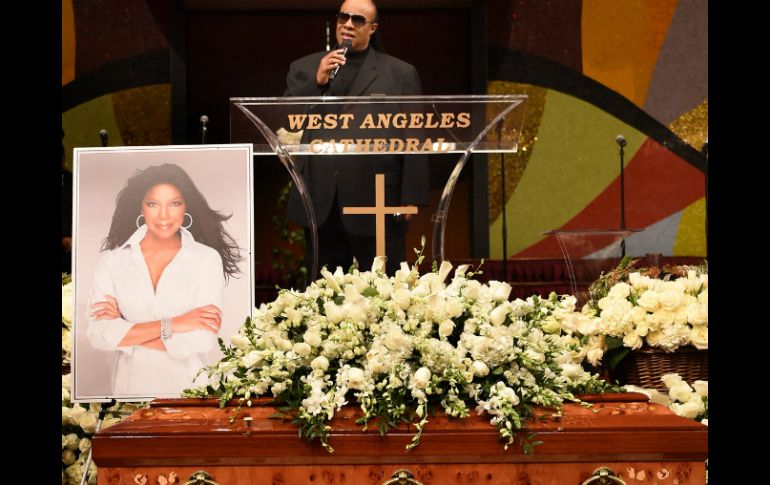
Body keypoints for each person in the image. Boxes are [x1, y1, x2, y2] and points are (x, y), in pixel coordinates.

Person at [284, 0, 430, 277]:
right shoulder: (305, 68)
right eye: (344, 17)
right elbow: (285, 117)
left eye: (358, 20)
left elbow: (415, 136)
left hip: (378, 199)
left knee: (384, 293)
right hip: (321, 199)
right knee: (325, 295)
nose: (348, 24)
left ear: (373, 28)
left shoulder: (400, 73)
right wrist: (317, 81)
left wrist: (412, 196)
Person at [86, 163, 242, 397]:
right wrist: (176, 324)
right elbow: (98, 334)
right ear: (141, 208)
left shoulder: (207, 259)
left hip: (190, 391)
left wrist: (125, 332)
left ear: (185, 207)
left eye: (174, 203)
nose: (164, 215)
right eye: (153, 204)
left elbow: (203, 339)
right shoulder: (112, 263)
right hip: (130, 391)